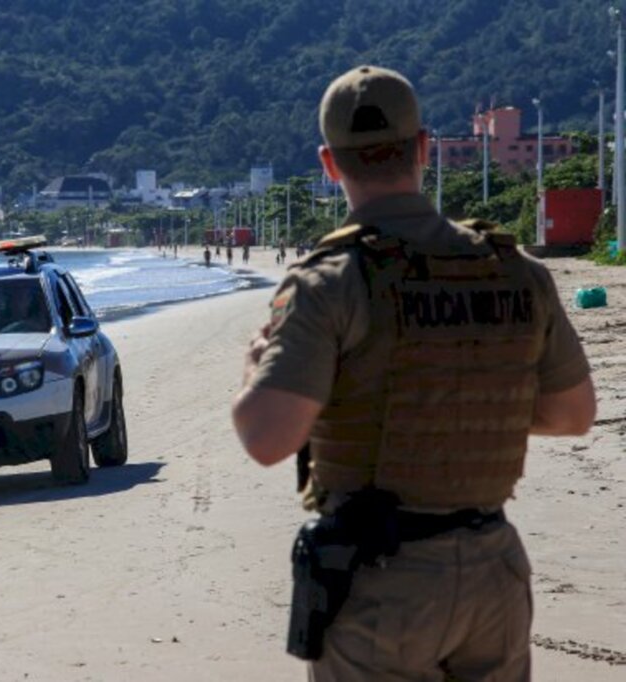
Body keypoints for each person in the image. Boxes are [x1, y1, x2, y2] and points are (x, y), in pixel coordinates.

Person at [231, 65, 596, 681]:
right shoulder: (514, 270)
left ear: (329, 163)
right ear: (424, 148)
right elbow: (573, 413)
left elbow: (266, 438)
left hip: (381, 576)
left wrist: (251, 369)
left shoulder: (332, 282)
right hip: (493, 566)